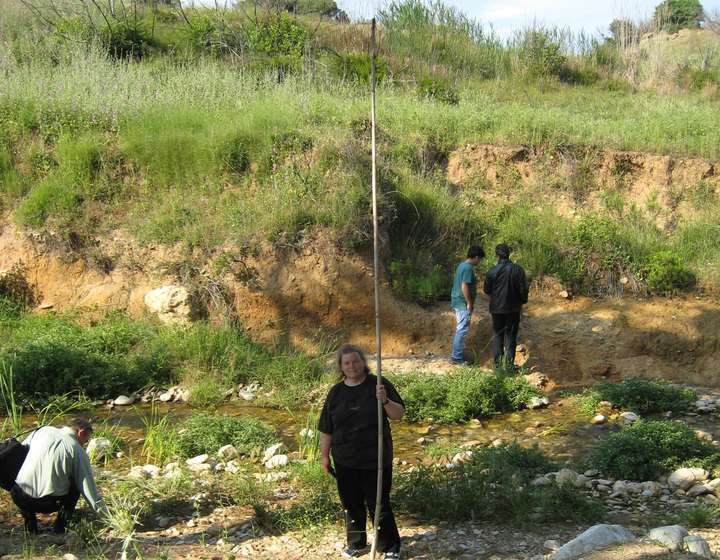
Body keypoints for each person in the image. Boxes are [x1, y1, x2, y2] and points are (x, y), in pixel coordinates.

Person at [319, 345, 405, 559]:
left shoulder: (379, 384)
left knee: (379, 504)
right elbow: (326, 428)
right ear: (341, 366)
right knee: (351, 504)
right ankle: (356, 543)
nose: (352, 366)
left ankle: (390, 547)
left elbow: (398, 414)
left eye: (355, 361)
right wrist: (324, 456)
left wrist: (385, 400)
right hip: (345, 459)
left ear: (363, 362)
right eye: (346, 363)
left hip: (376, 459)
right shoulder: (336, 392)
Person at [11, 418, 107, 534]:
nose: (84, 444)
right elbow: (89, 492)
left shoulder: (43, 430)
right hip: (46, 504)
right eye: (85, 441)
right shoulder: (78, 451)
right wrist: (106, 516)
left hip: (18, 496)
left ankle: (31, 526)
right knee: (76, 485)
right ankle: (60, 527)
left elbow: (19, 451)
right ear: (81, 432)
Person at [483, 243, 529, 370]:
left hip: (496, 309)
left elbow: (487, 290)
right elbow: (523, 289)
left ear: (497, 255)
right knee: (511, 337)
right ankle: (509, 366)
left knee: (497, 336)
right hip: (513, 308)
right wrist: (523, 301)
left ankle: (497, 366)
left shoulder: (492, 271)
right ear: (509, 254)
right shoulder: (518, 269)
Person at [450, 245, 485, 364]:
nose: (479, 262)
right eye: (480, 259)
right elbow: (464, 286)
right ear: (476, 257)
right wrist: (469, 302)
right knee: (462, 329)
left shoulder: (461, 265)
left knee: (461, 328)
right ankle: (456, 357)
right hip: (462, 302)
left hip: (457, 300)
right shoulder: (468, 268)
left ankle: (457, 355)